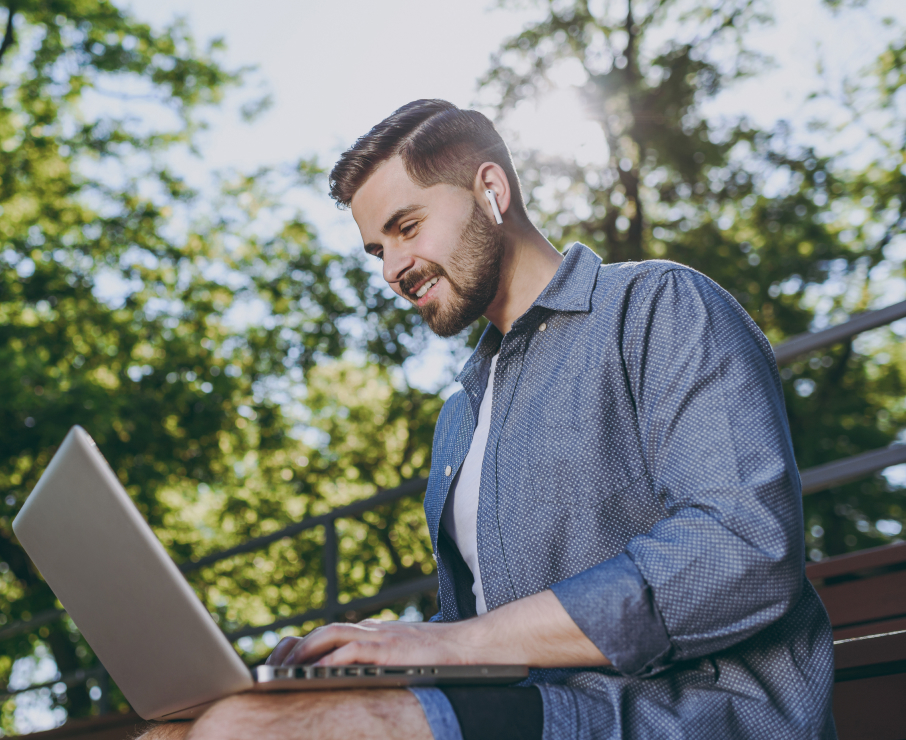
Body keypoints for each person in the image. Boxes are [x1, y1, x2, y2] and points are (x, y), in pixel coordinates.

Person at [140, 100, 836, 739]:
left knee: (243, 732)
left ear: (492, 190)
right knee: (177, 732)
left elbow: (743, 551)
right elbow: (484, 631)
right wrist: (375, 649)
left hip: (687, 715)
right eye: (377, 251)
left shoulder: (657, 306)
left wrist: (453, 643)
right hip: (538, 708)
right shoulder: (462, 416)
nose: (392, 269)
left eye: (405, 228)